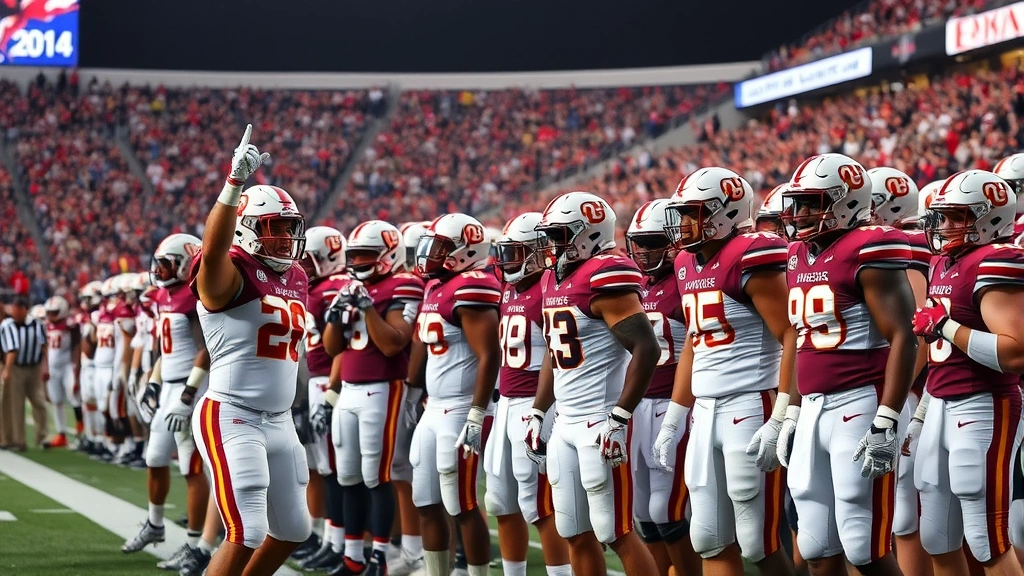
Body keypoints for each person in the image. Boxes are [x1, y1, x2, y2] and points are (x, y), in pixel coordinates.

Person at [652, 168, 795, 576]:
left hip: (751, 402)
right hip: (705, 409)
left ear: (725, 212)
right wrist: (675, 419)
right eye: (681, 214)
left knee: (756, 540)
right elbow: (694, 344)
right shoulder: (683, 261)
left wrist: (782, 414)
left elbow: (791, 334)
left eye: (693, 213)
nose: (683, 224)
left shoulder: (748, 255)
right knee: (707, 535)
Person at [779, 153, 917, 576]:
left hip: (861, 400)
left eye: (812, 203)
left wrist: (888, 417)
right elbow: (803, 340)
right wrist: (792, 411)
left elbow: (904, 335)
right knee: (816, 545)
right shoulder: (798, 254)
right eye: (798, 203)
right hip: (816, 405)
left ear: (846, 202)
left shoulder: (868, 246)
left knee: (863, 546)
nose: (800, 213)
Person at [188, 125, 312, 576]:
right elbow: (214, 249)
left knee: (295, 529)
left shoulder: (296, 276)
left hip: (279, 420)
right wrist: (233, 185)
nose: (283, 238)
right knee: (246, 531)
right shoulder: (230, 271)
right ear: (245, 228)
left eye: (289, 228)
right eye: (272, 228)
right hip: (232, 413)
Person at [526, 191, 660, 576]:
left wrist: (619, 417)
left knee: (615, 531)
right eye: (550, 235)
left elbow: (645, 348)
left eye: (561, 235)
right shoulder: (553, 278)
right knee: (573, 531)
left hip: (598, 422)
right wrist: (538, 411)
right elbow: (555, 350)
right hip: (565, 421)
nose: (553, 245)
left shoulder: (605, 274)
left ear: (587, 233)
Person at [910, 169, 1024, 576]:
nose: (943, 226)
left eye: (956, 216)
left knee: (986, 539)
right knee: (936, 537)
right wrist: (921, 413)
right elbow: (943, 355)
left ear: (988, 218)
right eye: (942, 216)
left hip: (983, 405)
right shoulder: (943, 262)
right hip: (940, 403)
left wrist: (947, 327)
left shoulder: (995, 260)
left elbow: (1016, 353)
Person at [321, 220, 424, 576]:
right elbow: (333, 347)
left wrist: (366, 309)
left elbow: (394, 342)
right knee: (347, 474)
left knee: (376, 475)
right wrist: (336, 318)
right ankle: (353, 555)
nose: (359, 261)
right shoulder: (351, 286)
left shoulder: (404, 285)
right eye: (356, 255)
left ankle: (380, 556)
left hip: (383, 388)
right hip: (348, 390)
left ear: (386, 255)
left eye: (367, 254)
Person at [406, 213, 501, 576]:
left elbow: (489, 354)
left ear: (468, 249)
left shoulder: (472, 286)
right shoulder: (435, 286)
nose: (431, 254)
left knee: (461, 503)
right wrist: (413, 391)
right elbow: (421, 342)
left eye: (442, 247)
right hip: (435, 407)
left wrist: (477, 413)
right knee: (426, 501)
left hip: (462, 408)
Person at [485, 212, 572, 576]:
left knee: (539, 505)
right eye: (505, 253)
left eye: (516, 252)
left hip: (536, 402)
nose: (507, 262)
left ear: (540, 251)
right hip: (506, 401)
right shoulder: (511, 288)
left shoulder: (549, 289)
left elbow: (557, 356)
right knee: (500, 501)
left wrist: (541, 411)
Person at [624, 199, 703, 576]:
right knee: (641, 514)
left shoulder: (686, 282)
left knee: (668, 512)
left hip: (672, 404)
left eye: (653, 242)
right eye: (638, 243)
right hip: (638, 407)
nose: (643, 252)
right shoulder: (633, 284)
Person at [123, 234, 211, 567]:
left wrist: (188, 394)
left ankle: (194, 544)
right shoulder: (164, 296)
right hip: (170, 388)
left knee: (191, 468)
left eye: (166, 263)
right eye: (157, 263)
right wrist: (154, 385)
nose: (158, 270)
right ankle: (155, 524)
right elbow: (165, 350)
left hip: (192, 388)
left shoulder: (194, 296)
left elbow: (207, 349)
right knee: (155, 457)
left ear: (185, 263)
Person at [867, 167, 933, 576]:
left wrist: (896, 395)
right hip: (913, 391)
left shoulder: (902, 246)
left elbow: (917, 335)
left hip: (913, 393)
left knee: (906, 516)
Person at [294, 226, 350, 573]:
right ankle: (330, 538)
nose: (303, 265)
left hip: (332, 382)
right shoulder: (314, 288)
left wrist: (329, 392)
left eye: (310, 259)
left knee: (335, 468)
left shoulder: (335, 289)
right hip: (315, 382)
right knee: (324, 467)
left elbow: (341, 346)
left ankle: (340, 541)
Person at [0, 295, 49, 450]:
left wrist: (46, 366)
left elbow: (44, 346)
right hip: (16, 368)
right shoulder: (8, 325)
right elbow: (11, 350)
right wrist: (7, 369)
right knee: (16, 405)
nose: (14, 313)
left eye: (17, 310)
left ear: (24, 310)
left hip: (34, 368)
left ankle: (42, 436)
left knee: (39, 401)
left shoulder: (37, 324)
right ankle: (18, 440)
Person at [41, 295, 81, 448]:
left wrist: (76, 367)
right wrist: (45, 367)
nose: (51, 315)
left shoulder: (70, 325)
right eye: (49, 312)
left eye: (54, 312)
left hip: (67, 366)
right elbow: (44, 348)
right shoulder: (45, 326)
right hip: (53, 368)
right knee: (56, 401)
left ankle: (81, 430)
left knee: (74, 397)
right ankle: (61, 433)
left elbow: (76, 347)